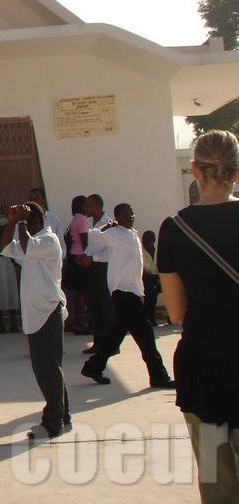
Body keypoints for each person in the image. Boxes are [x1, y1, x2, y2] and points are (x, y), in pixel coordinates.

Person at [158, 130, 239, 503]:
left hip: (203, 364)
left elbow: (175, 311)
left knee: (217, 479)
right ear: (236, 173)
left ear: (195, 171)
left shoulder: (174, 229)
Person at [80, 203, 174, 390]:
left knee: (117, 333)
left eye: (131, 214)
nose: (130, 217)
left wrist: (96, 258)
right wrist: (107, 226)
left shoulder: (133, 234)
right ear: (117, 217)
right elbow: (93, 236)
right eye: (125, 215)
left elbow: (110, 256)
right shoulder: (114, 233)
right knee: (145, 334)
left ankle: (93, 366)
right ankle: (158, 376)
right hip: (123, 292)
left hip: (134, 290)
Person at [1, 202, 71, 440]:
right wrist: (12, 221)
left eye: (26, 219)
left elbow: (27, 244)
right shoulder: (28, 241)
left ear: (36, 221)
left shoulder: (48, 241)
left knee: (47, 368)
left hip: (48, 310)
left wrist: (21, 222)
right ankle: (64, 415)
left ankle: (53, 422)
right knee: (50, 367)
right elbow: (4, 248)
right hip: (35, 313)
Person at [83, 193, 113, 354]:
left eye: (88, 205)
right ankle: (98, 342)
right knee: (94, 307)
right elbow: (92, 245)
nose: (85, 208)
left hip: (104, 269)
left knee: (106, 307)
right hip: (92, 269)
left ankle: (111, 345)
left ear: (98, 207)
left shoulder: (109, 224)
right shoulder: (89, 222)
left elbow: (110, 252)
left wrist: (92, 258)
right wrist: (84, 256)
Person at [64, 195, 90, 335]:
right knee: (82, 292)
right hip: (80, 258)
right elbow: (85, 241)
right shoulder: (82, 220)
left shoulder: (75, 219)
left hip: (73, 256)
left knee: (77, 292)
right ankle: (79, 323)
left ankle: (75, 321)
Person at [140, 230, 161, 326]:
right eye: (144, 240)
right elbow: (141, 272)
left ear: (154, 240)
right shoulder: (140, 252)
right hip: (144, 278)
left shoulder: (159, 253)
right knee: (151, 291)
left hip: (157, 278)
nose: (145, 242)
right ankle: (150, 317)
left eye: (148, 240)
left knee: (172, 289)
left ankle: (171, 317)